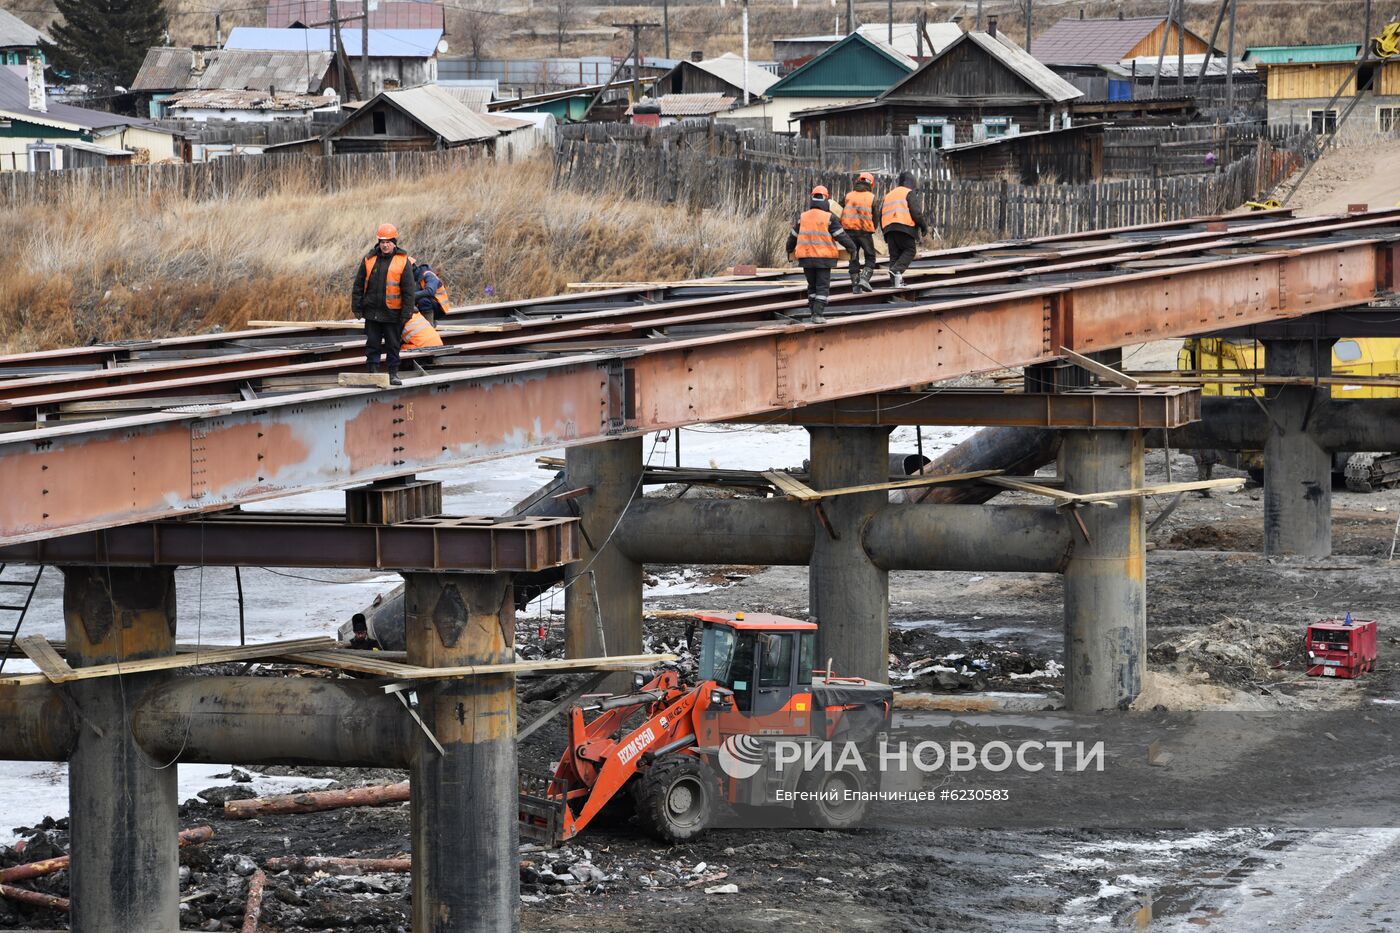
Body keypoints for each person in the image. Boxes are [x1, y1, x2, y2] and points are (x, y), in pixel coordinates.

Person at [351, 223, 416, 386]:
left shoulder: (403, 261)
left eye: (388, 242)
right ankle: (373, 373)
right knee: (372, 344)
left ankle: (393, 374)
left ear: (394, 242)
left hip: (393, 313)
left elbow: (409, 290)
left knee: (393, 345)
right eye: (382, 242)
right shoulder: (369, 259)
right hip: (372, 312)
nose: (385, 245)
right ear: (378, 242)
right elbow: (358, 285)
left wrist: (406, 313)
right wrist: (357, 307)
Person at [785, 184, 855, 324]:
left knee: (812, 286)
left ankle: (813, 312)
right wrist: (852, 248)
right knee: (822, 287)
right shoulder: (828, 218)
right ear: (826, 199)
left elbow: (793, 236)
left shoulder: (803, 217)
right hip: (823, 259)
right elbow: (841, 236)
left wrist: (789, 249)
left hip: (806, 259)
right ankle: (818, 314)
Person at [880, 170, 929, 288]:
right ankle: (897, 270)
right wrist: (923, 226)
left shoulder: (889, 195)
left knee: (895, 256)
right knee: (910, 250)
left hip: (889, 230)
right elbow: (916, 213)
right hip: (904, 227)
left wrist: (885, 232)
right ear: (909, 182)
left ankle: (895, 283)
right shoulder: (908, 192)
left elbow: (881, 214)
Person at [840, 172, 879, 293]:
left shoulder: (848, 195)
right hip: (864, 232)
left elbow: (838, 210)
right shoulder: (871, 197)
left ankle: (855, 285)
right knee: (870, 257)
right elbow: (875, 217)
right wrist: (873, 228)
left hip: (848, 232)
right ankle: (864, 279)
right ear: (871, 184)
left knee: (853, 257)